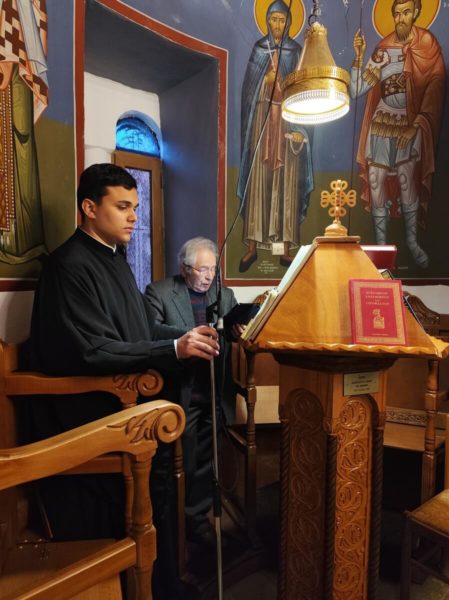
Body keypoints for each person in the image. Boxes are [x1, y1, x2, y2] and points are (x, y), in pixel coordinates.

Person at [30, 163, 219, 598]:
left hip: (124, 398)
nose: (134, 216)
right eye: (122, 207)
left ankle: (163, 582)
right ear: (89, 208)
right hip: (89, 411)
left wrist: (184, 338)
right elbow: (90, 350)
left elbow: (140, 330)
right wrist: (172, 350)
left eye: (135, 207)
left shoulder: (113, 258)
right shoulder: (67, 265)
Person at [145, 237, 242, 545]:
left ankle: (197, 522)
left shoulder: (224, 295)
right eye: (202, 269)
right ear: (184, 268)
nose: (209, 276)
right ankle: (168, 525)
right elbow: (150, 332)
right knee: (178, 464)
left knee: (206, 465)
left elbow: (233, 333)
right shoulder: (159, 292)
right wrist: (189, 337)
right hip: (179, 396)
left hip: (214, 393)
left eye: (213, 269)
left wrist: (239, 330)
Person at [350, 0, 445, 269]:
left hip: (409, 123)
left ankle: (412, 243)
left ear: (416, 13)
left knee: (406, 181)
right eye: (397, 14)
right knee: (376, 180)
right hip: (382, 122)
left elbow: (435, 86)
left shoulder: (427, 44)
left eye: (406, 13)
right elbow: (356, 90)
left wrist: (416, 125)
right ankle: (380, 249)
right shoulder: (383, 50)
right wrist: (359, 57)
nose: (400, 18)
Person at [237, 0, 313, 272]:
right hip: (261, 124)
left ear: (289, 23)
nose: (277, 25)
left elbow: (305, 94)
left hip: (288, 126)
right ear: (267, 22)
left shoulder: (296, 51)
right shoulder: (260, 50)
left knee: (286, 187)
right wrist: (264, 82)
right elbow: (248, 95)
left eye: (282, 20)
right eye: (273, 20)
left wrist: (299, 131)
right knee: (258, 184)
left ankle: (285, 250)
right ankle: (251, 248)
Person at [0, 0, 48, 264]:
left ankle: (18, 238)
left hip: (14, 54)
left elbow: (30, 12)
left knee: (18, 140)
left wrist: (8, 55)